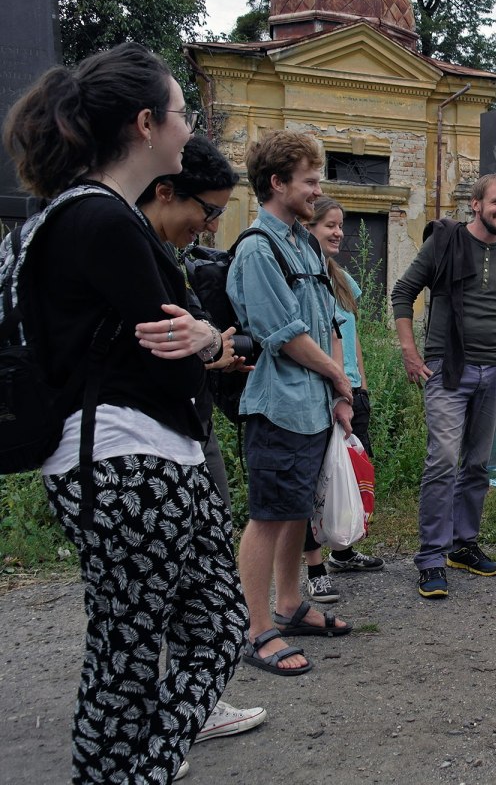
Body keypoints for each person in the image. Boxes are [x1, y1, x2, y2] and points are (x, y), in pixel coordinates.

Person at [3, 42, 247, 782]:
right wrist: (209, 339)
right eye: (182, 112)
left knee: (166, 639)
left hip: (109, 460)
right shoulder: (104, 223)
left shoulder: (56, 220)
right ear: (146, 124)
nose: (188, 126)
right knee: (149, 647)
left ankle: (127, 771)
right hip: (133, 462)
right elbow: (168, 344)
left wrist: (200, 337)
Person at [134, 135, 267, 743]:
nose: (211, 225)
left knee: (198, 578)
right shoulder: (126, 250)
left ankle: (192, 703)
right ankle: (145, 731)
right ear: (165, 191)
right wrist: (211, 345)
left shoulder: (166, 255)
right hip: (145, 444)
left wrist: (215, 348)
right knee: (151, 588)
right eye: (207, 211)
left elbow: (200, 335)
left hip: (191, 427)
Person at [227, 130, 353, 677]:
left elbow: (325, 321)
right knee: (267, 517)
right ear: (277, 183)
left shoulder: (303, 243)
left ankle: (289, 605)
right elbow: (286, 334)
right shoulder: (259, 249)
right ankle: (258, 630)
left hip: (311, 407)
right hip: (277, 406)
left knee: (295, 513)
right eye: (308, 180)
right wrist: (338, 376)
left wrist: (336, 395)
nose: (316, 189)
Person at [391, 173, 496, 599]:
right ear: (476, 204)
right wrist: (411, 353)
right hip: (448, 369)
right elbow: (402, 292)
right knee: (443, 460)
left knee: (477, 464)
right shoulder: (445, 243)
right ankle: (431, 559)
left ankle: (462, 544)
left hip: (495, 372)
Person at [300, 197, 384, 603]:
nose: (337, 233)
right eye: (329, 225)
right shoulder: (299, 277)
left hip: (352, 391)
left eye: (340, 226)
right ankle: (314, 569)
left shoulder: (343, 280)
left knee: (350, 475)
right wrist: (337, 387)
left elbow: (353, 339)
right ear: (308, 227)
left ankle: (343, 551)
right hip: (321, 393)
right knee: (318, 481)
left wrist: (360, 385)